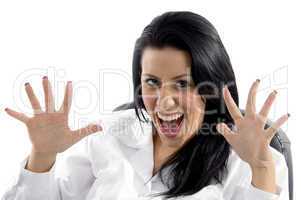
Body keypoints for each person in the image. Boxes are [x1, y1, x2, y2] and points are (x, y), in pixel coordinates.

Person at [2, 11, 289, 199]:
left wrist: (261, 167)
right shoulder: (109, 134)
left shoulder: (253, 162)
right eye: (152, 82)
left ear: (211, 87)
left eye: (182, 84)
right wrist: (42, 156)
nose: (164, 100)